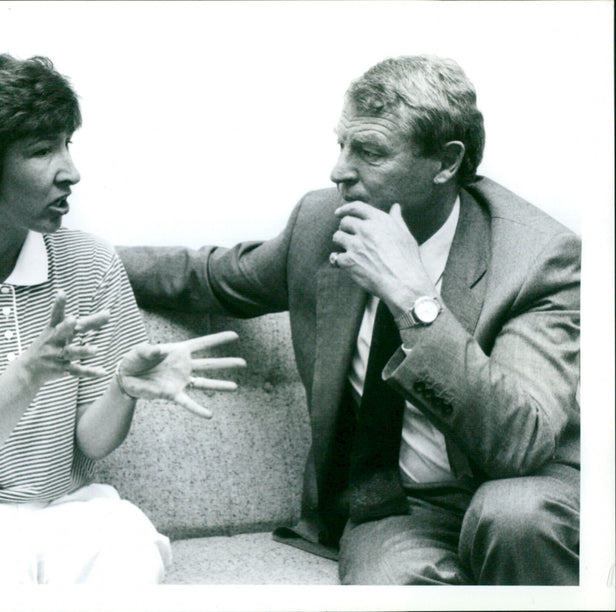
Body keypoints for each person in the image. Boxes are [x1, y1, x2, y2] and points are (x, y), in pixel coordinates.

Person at [117, 55, 580, 585]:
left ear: (446, 163)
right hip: (402, 506)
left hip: (523, 490)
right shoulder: (322, 225)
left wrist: (414, 298)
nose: (339, 170)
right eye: (341, 144)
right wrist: (70, 255)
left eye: (370, 152)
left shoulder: (538, 257)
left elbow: (517, 445)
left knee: (513, 518)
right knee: (389, 584)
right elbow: (210, 275)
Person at [0, 54, 244, 585]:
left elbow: (91, 443)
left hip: (64, 510)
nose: (71, 172)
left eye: (66, 145)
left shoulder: (91, 264)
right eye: (41, 151)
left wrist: (122, 390)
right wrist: (28, 373)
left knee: (129, 552)